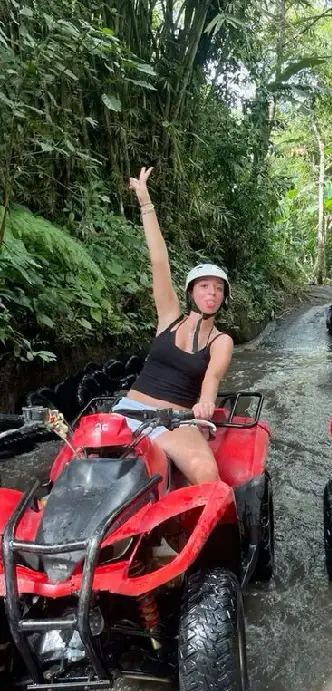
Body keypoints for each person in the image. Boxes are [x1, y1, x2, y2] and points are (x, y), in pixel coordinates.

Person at [111, 166, 234, 485]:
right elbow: (159, 260)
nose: (212, 293)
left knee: (207, 474)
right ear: (192, 291)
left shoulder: (221, 340)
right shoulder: (168, 317)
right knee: (77, 462)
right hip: (129, 412)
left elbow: (213, 376)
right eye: (205, 286)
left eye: (218, 289)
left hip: (177, 421)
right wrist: (145, 202)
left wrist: (206, 402)